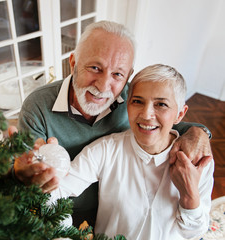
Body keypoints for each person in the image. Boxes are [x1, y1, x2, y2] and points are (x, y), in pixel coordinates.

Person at [12, 20, 212, 227]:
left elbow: (164, 122)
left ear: (128, 77)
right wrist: (20, 173)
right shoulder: (38, 106)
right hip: (60, 211)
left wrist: (199, 132)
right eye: (95, 68)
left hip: (115, 210)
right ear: (73, 64)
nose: (103, 85)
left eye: (117, 74)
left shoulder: (134, 99)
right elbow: (27, 172)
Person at [48, 64, 214, 239]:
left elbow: (195, 232)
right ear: (127, 105)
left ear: (180, 114)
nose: (146, 114)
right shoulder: (105, 150)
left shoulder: (198, 160)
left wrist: (189, 196)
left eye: (161, 104)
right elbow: (55, 190)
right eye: (138, 101)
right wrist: (65, 234)